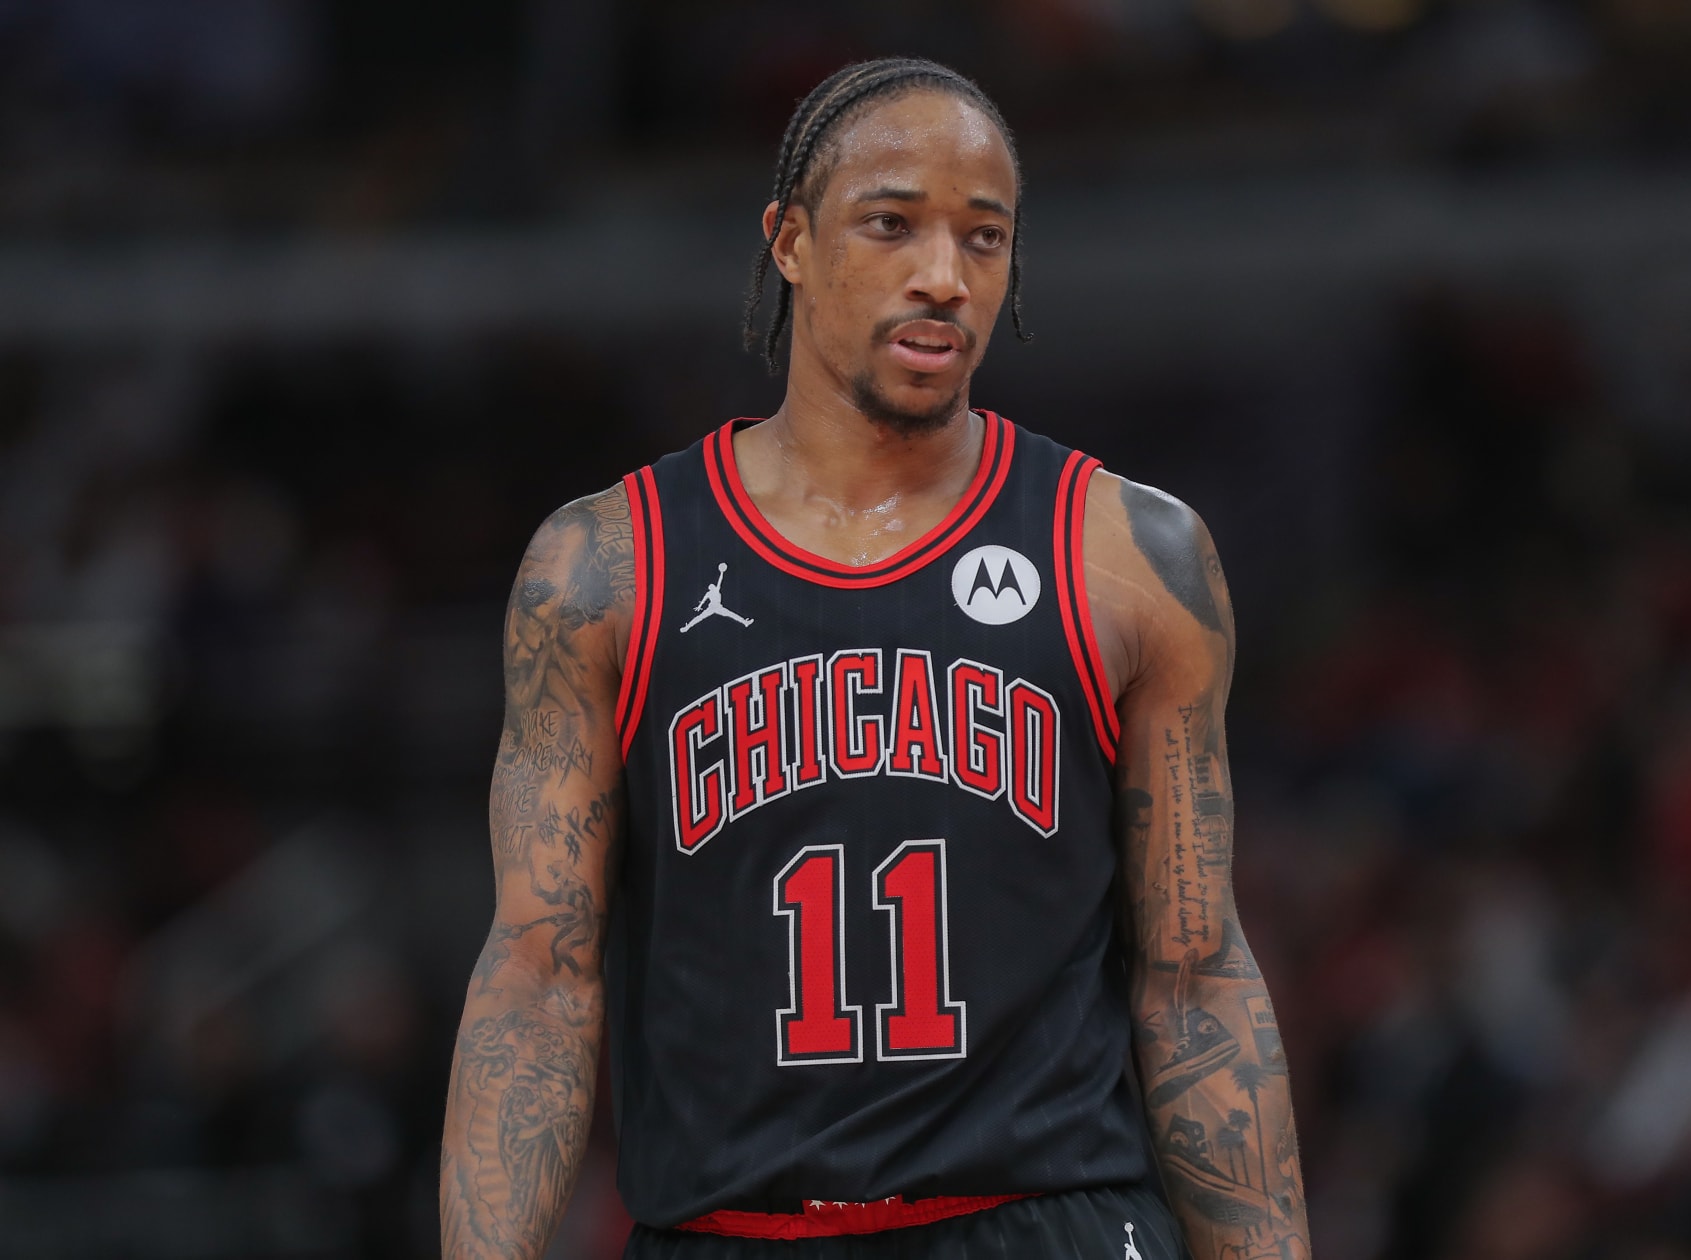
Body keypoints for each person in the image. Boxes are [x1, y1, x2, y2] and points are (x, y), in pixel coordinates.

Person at [440, 57, 1311, 1260]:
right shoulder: (605, 567)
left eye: (985, 237)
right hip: (735, 1227)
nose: (944, 277)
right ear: (790, 241)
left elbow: (1195, 978)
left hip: (1045, 1220)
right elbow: (539, 983)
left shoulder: (1127, 553)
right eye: (892, 224)